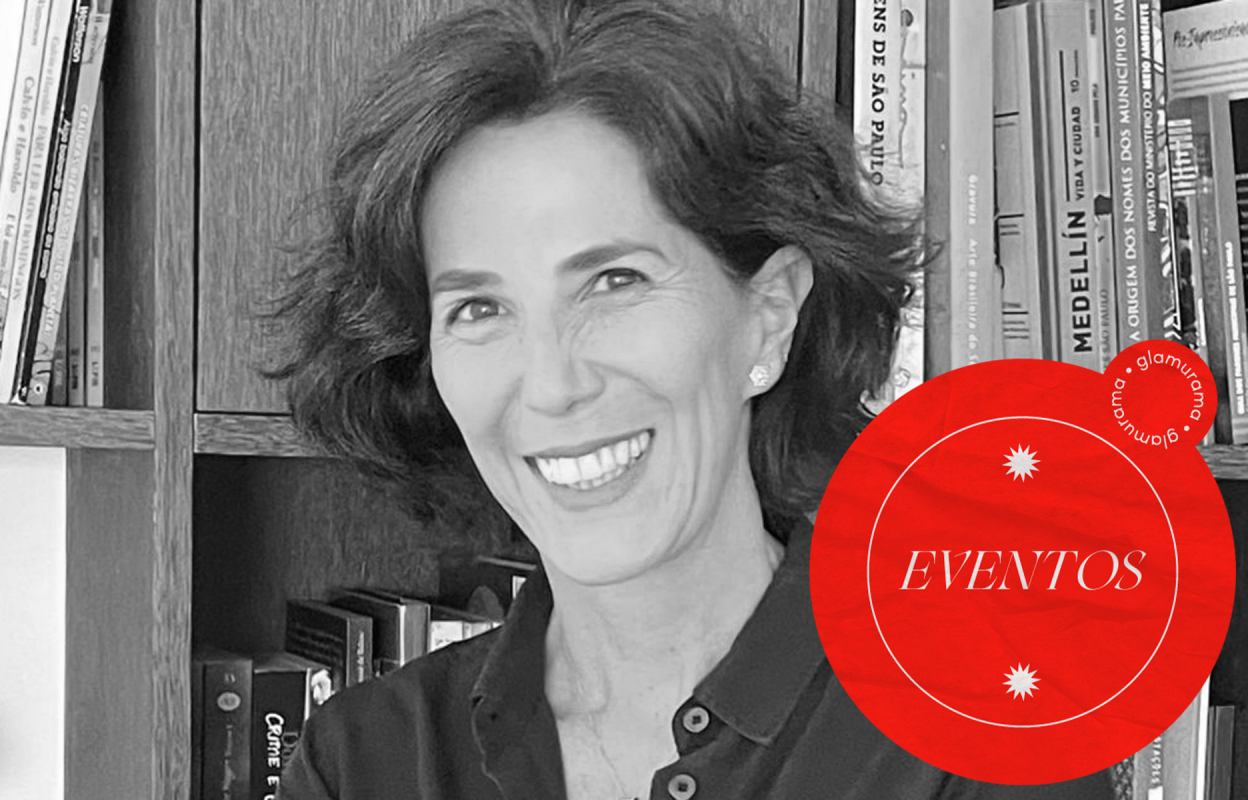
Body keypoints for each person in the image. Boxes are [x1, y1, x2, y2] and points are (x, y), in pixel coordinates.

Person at [266, 1, 1117, 798]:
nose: (554, 384)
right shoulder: (363, 762)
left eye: (615, 281)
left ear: (769, 314)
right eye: (479, 309)